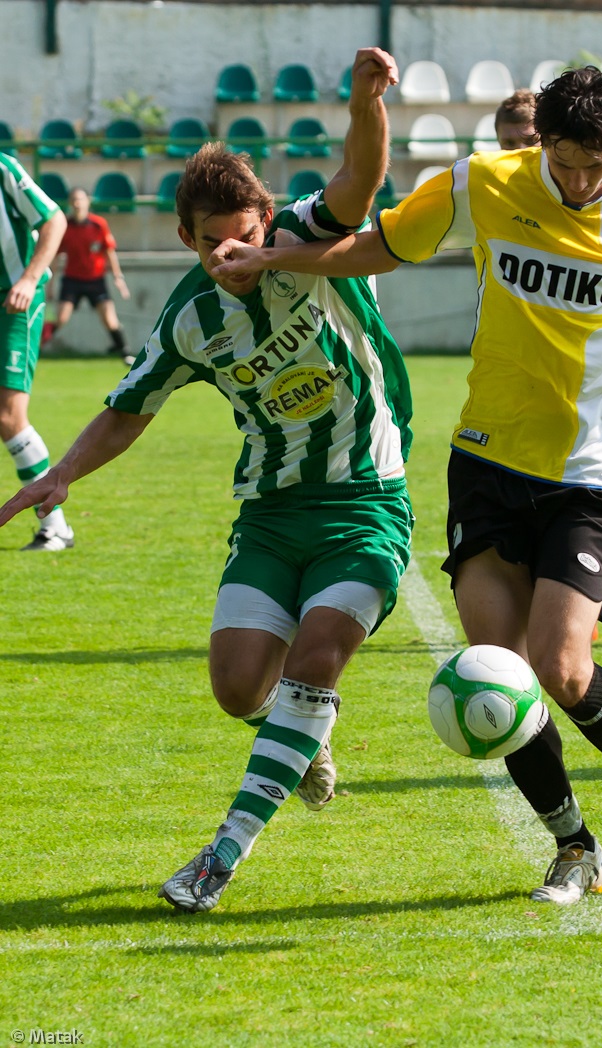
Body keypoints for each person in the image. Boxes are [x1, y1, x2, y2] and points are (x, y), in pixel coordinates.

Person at [207, 66, 602, 903]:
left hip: (589, 472)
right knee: (495, 675)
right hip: (485, 460)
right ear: (541, 143)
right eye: (567, 163)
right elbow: (381, 249)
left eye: (598, 166)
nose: (581, 184)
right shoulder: (483, 182)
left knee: (563, 666)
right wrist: (278, 254)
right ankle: (574, 847)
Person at [0, 49, 412, 913]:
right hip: (267, 514)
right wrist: (62, 474)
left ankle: (220, 857)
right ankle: (304, 739)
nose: (230, 249)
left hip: (365, 500)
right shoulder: (189, 316)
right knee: (237, 690)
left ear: (267, 218)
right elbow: (129, 405)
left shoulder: (308, 233)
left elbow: (361, 180)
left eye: (245, 233)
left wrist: (366, 103)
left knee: (319, 658)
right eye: (210, 238)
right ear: (184, 239)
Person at [494, 88, 602, 646]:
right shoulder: (499, 193)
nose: (576, 177)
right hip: (514, 428)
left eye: (524, 141)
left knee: (564, 646)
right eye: (508, 144)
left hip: (599, 427)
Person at [0, 152, 74, 552]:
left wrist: (29, 279)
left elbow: (54, 219)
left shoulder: (2, 168)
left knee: (9, 415)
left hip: (15, 301)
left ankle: (56, 527)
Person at [49, 187, 135, 365]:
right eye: (73, 200)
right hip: (72, 280)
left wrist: (118, 278)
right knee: (61, 319)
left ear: (88, 201)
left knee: (110, 321)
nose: (77, 203)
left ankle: (124, 352)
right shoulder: (65, 225)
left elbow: (109, 252)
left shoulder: (98, 224)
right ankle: (36, 346)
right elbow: (56, 256)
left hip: (95, 280)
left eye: (80, 199)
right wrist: (51, 283)